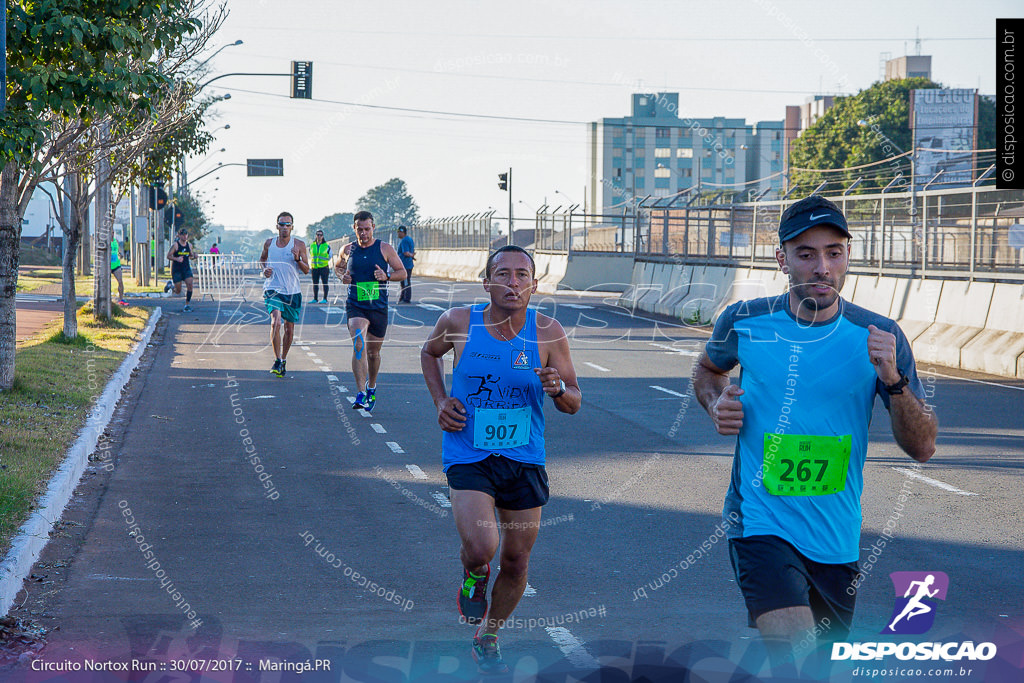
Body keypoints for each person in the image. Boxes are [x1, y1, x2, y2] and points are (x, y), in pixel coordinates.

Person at [692, 194, 938, 676]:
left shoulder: (879, 334)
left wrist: (891, 376)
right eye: (805, 254)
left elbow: (923, 446)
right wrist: (714, 402)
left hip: (836, 534)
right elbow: (707, 370)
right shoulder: (744, 320)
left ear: (848, 256)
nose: (821, 266)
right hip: (760, 521)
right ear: (781, 259)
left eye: (833, 252)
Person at [420, 245, 582, 674]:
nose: (513, 283)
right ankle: (474, 573)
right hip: (468, 451)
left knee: (516, 560)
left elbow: (574, 402)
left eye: (522, 275)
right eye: (503, 274)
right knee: (482, 546)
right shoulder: (458, 322)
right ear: (486, 280)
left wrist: (558, 389)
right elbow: (429, 354)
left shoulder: (548, 332)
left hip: (524, 458)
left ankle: (489, 633)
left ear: (534, 283)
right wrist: (440, 400)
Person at [333, 211, 406, 411]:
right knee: (358, 342)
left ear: (373, 227)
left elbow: (402, 272)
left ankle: (371, 386)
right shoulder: (347, 249)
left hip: (378, 306)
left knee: (373, 353)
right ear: (354, 229)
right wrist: (342, 276)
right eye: (360, 229)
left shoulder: (385, 248)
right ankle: (360, 392)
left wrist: (386, 276)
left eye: (367, 229)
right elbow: (338, 267)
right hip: (356, 304)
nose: (363, 233)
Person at [260, 211, 310, 377]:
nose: (284, 228)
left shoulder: (299, 245)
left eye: (288, 225)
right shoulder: (269, 243)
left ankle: (284, 359)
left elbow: (306, 270)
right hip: (273, 289)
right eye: (282, 224)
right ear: (277, 226)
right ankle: (277, 359)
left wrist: (297, 260)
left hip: (292, 292)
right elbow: (262, 259)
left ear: (292, 227)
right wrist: (264, 269)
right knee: (276, 322)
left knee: (289, 328)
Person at [166, 228, 197, 311]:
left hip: (186, 269)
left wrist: (194, 256)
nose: (185, 236)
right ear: (179, 235)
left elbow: (191, 256)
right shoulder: (176, 245)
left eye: (186, 234)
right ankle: (170, 286)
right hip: (177, 270)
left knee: (190, 285)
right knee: (178, 291)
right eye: (183, 234)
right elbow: (168, 256)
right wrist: (177, 259)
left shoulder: (189, 245)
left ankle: (187, 305)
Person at [308, 229, 332, 303]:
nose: (319, 236)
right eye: (317, 235)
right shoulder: (312, 245)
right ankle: (315, 298)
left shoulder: (326, 246)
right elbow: (310, 255)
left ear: (323, 236)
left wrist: (324, 262)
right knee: (315, 283)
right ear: (316, 236)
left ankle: (325, 299)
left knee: (325, 283)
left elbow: (330, 256)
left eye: (320, 235)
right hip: (314, 267)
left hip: (324, 267)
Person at [396, 226, 416, 303]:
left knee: (405, 282)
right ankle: (403, 297)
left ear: (402, 232)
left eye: (399, 232)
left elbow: (406, 252)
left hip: (405, 265)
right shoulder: (409, 239)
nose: (398, 234)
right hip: (408, 264)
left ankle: (406, 298)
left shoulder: (404, 240)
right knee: (405, 281)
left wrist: (411, 255)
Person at [110, 238, 127, 306]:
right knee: (107, 283)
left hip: (116, 265)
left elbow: (119, 251)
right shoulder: (105, 240)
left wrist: (121, 254)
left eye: (113, 233)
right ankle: (108, 298)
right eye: (111, 232)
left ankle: (121, 298)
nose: (112, 234)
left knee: (120, 281)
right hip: (107, 265)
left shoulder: (115, 240)